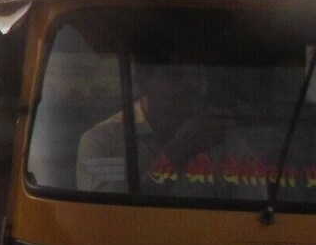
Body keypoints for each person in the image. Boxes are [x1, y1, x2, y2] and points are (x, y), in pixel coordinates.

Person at [75, 53, 265, 199]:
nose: (192, 84)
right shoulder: (104, 141)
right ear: (141, 83)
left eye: (198, 74)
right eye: (175, 74)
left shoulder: (221, 140)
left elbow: (256, 208)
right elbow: (110, 218)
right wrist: (178, 152)